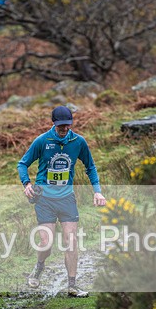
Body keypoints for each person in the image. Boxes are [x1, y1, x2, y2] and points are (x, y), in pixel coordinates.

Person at [17, 105, 106, 297]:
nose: (64, 129)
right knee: (45, 243)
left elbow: (90, 167)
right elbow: (22, 163)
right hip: (44, 199)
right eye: (60, 126)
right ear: (53, 124)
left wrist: (97, 191)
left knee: (71, 241)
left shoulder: (78, 142)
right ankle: (39, 267)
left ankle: (72, 285)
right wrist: (26, 184)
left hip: (66, 198)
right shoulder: (42, 141)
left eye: (67, 125)